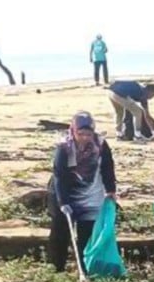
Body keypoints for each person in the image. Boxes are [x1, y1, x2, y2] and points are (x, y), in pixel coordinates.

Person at [47, 112, 117, 273]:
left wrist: (111, 189)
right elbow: (59, 176)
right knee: (61, 231)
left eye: (88, 134)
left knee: (87, 231)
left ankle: (84, 267)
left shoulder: (100, 144)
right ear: (73, 131)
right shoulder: (64, 147)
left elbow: (107, 166)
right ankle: (57, 267)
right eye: (81, 134)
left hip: (90, 192)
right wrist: (63, 202)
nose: (85, 137)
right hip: (64, 192)